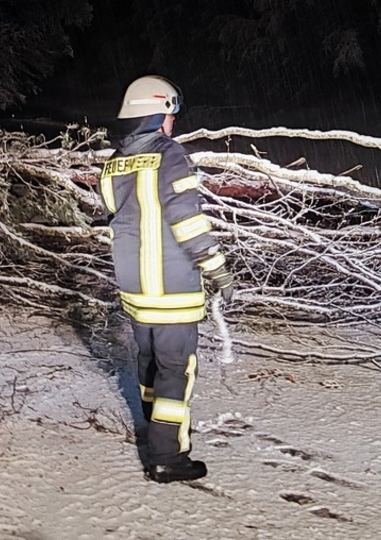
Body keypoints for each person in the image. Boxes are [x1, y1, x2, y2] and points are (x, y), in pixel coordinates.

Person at [98, 75, 235, 483]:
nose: (173, 123)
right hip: (173, 287)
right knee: (176, 370)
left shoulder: (114, 163)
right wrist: (216, 268)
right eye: (170, 114)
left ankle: (154, 427)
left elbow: (118, 221)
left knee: (149, 362)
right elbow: (187, 221)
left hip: (135, 288)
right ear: (156, 115)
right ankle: (167, 457)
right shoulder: (171, 156)